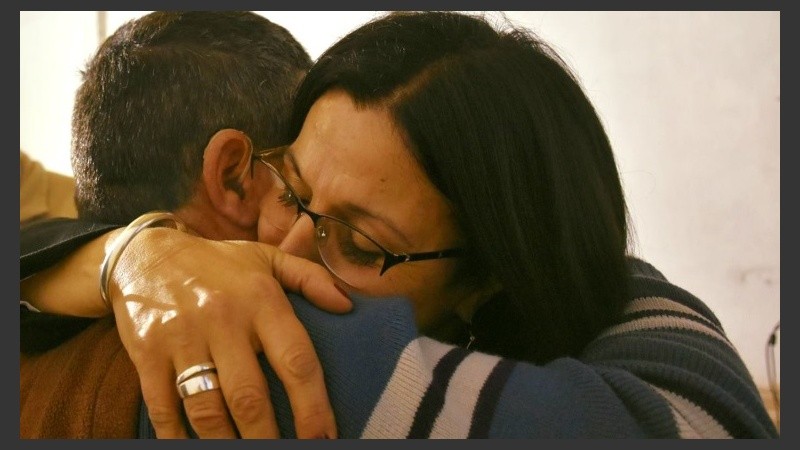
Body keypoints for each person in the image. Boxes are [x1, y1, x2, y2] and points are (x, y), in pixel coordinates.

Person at [21, 11, 778, 438]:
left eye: (357, 239)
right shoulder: (274, 359)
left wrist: (123, 251)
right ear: (235, 170)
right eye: (291, 187)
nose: (288, 251)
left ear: (487, 279)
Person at [20, 11, 352, 439]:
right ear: (233, 176)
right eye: (298, 194)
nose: (314, 230)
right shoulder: (342, 362)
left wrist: (132, 249)